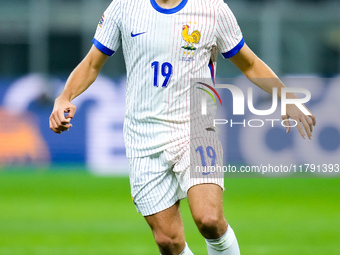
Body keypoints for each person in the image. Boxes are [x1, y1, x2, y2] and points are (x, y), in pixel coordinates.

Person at [49, 0, 316, 254]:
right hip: (143, 135)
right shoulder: (124, 7)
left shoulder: (213, 9)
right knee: (168, 241)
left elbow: (249, 62)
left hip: (196, 127)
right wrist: (65, 97)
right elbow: (92, 62)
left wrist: (285, 96)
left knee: (209, 219)